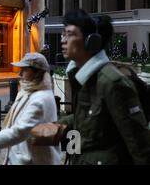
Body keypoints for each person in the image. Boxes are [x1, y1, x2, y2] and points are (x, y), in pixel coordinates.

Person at [55, 9, 150, 165]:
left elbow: (140, 146)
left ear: (91, 41)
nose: (62, 40)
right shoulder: (82, 79)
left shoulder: (112, 83)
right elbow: (89, 123)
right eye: (63, 34)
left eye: (69, 34)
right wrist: (60, 126)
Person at [0, 53, 61, 165]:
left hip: (33, 160)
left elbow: (19, 132)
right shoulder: (29, 91)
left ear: (37, 72)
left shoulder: (40, 99)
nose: (20, 73)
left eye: (24, 70)